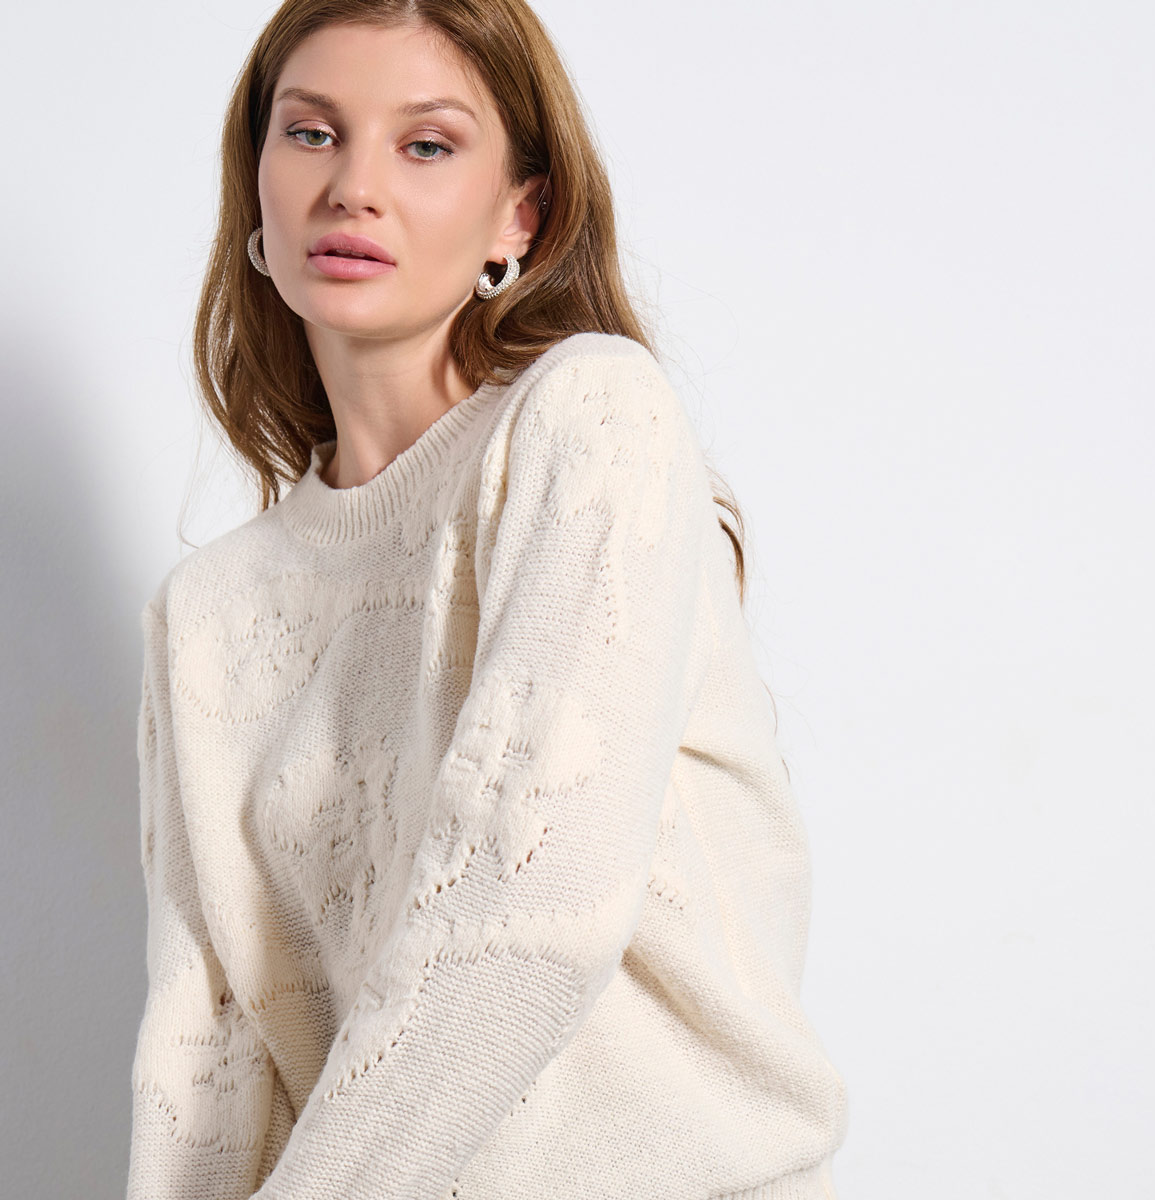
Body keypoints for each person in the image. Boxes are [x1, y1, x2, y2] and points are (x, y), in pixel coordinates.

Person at [124, 1, 848, 1197]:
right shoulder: (207, 613)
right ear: (255, 182)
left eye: (426, 145)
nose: (354, 188)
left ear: (523, 215)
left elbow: (531, 912)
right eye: (311, 133)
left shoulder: (590, 421)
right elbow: (208, 1060)